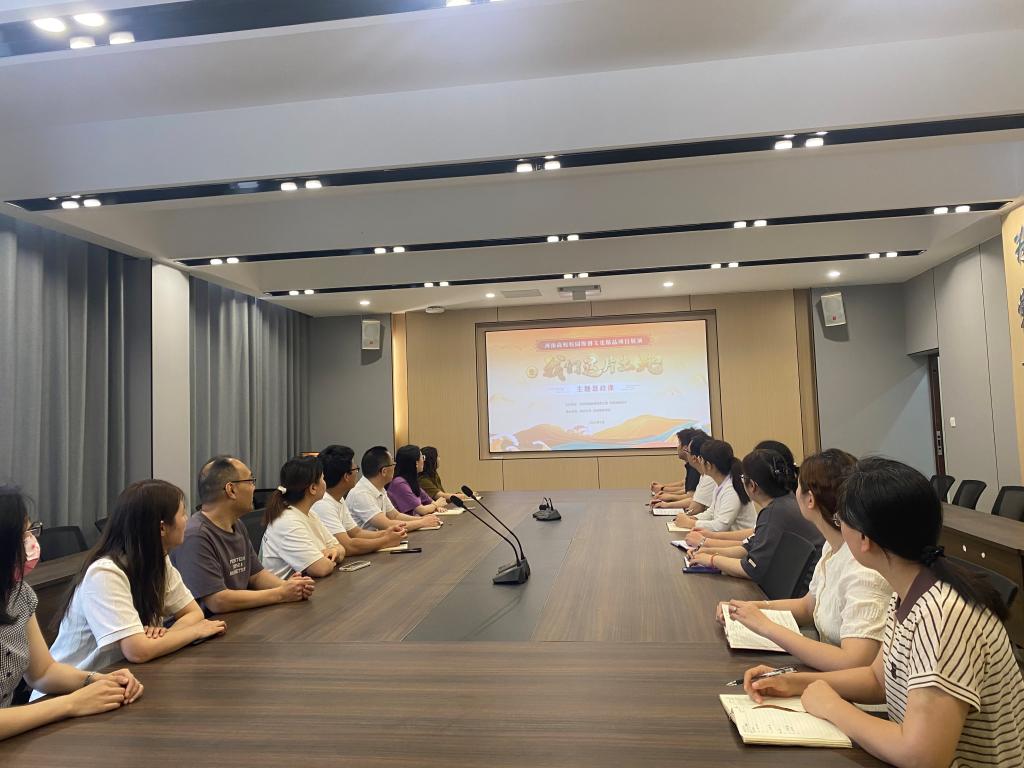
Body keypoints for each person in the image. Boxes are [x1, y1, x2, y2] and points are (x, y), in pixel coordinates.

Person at [742, 458, 1024, 767]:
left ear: (864, 539)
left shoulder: (942, 614)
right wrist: (796, 682)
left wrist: (832, 706)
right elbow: (878, 679)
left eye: (841, 519)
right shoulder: (909, 589)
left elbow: (923, 756)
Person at [714, 449, 888, 671]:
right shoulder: (833, 546)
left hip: (841, 683)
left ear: (810, 499)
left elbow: (854, 664)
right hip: (824, 670)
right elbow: (807, 606)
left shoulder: (863, 569)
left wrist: (766, 626)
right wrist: (750, 608)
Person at [44, 480, 226, 686]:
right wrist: (195, 631)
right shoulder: (105, 573)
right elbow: (137, 651)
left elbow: (193, 612)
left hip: (121, 679)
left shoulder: (158, 560)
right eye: (183, 514)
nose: (187, 519)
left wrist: (163, 638)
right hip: (72, 688)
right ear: (162, 527)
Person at [0, 487, 143, 739]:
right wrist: (71, 704)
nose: (32, 543)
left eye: (32, 531)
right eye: (23, 535)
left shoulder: (19, 594)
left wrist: (96, 680)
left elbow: (43, 672)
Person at [172, 455, 315, 615]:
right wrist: (281, 594)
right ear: (231, 490)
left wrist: (290, 587)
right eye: (250, 481)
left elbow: (256, 575)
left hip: (238, 618)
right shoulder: (196, 535)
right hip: (210, 625)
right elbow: (217, 601)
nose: (254, 487)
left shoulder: (237, 524)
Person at [686, 448, 823, 592]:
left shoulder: (774, 513)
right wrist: (706, 551)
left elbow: (751, 569)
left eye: (743, 478)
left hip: (799, 592)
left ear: (752, 486)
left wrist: (712, 560)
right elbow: (749, 547)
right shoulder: (784, 501)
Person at [260, 455, 345, 579]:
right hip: (287, 589)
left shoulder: (310, 514)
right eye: (323, 478)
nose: (325, 482)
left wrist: (335, 552)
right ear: (313, 488)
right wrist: (331, 557)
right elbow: (321, 568)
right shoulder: (287, 522)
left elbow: (340, 548)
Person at [312, 445, 407, 554]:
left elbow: (356, 533)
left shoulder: (338, 498)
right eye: (355, 469)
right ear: (346, 476)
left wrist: (386, 533)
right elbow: (348, 546)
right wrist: (386, 540)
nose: (357, 473)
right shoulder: (323, 505)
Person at [347, 447, 441, 532]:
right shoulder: (361, 494)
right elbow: (387, 524)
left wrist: (422, 519)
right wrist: (422, 523)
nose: (395, 467)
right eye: (393, 464)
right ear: (384, 471)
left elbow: (395, 516)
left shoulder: (379, 488)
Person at [674, 439, 755, 532]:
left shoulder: (731, 489)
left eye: (701, 459)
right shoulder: (721, 483)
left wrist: (691, 523)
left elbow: (721, 526)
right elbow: (712, 512)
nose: (699, 461)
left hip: (740, 539)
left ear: (708, 465)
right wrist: (694, 518)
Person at [388, 445, 445, 516]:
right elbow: (422, 510)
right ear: (416, 463)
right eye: (422, 457)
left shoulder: (411, 481)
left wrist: (436, 506)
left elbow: (429, 501)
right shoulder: (399, 483)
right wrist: (436, 505)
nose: (424, 460)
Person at [649, 428, 700, 503]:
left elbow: (691, 495)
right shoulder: (691, 466)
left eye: (679, 443)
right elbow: (685, 486)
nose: (677, 447)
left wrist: (664, 490)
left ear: (685, 448)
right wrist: (664, 490)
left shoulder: (695, 468)